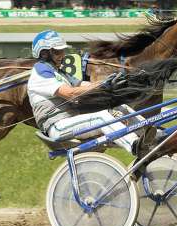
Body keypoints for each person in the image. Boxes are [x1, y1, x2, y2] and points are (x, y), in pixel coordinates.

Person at [27, 30, 156, 157]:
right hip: (57, 127)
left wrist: (108, 82)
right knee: (101, 117)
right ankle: (134, 145)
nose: (62, 54)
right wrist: (102, 84)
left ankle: (152, 134)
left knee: (120, 108)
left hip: (70, 121)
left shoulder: (59, 72)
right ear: (44, 54)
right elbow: (70, 93)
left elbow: (83, 85)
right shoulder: (41, 72)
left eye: (62, 50)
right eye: (57, 52)